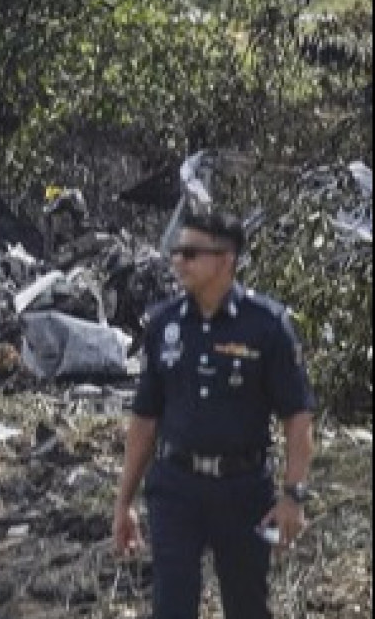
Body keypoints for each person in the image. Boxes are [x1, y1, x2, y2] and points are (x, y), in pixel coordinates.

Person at [112, 209, 316, 619]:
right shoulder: (164, 325)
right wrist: (124, 503)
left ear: (225, 260)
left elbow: (297, 417)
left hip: (242, 491)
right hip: (175, 489)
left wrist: (293, 496)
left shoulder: (267, 325)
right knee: (171, 607)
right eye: (176, 252)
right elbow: (145, 419)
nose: (178, 262)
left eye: (190, 253)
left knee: (247, 606)